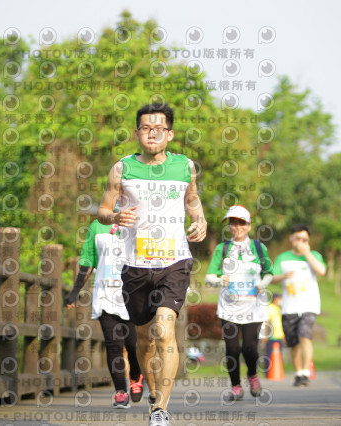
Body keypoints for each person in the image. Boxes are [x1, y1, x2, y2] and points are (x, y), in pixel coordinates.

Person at [98, 103, 206, 426]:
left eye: (159, 128)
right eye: (146, 128)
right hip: (135, 264)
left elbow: (193, 200)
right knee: (144, 339)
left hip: (174, 261)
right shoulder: (122, 169)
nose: (153, 133)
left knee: (163, 328)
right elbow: (103, 209)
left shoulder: (185, 167)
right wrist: (115, 216)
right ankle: (153, 391)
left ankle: (160, 407)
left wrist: (200, 220)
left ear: (170, 134)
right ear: (137, 133)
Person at [63, 219, 144, 408]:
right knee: (113, 344)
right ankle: (120, 392)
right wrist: (74, 292)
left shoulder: (139, 220)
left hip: (132, 295)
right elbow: (88, 261)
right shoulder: (97, 225)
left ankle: (135, 375)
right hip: (105, 294)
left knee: (132, 344)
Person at [205, 205, 273, 401]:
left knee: (250, 349)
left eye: (241, 222)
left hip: (254, 307)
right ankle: (235, 385)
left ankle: (252, 375)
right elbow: (209, 276)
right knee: (232, 349)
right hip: (229, 308)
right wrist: (219, 280)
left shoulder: (259, 248)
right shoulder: (222, 248)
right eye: (233, 223)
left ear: (249, 225)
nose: (237, 226)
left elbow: (269, 272)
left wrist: (262, 284)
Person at [271, 224, 326, 386]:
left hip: (309, 305)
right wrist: (283, 276)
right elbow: (272, 277)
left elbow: (322, 271)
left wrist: (307, 253)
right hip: (289, 306)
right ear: (291, 239)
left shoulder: (314, 255)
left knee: (305, 335)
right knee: (294, 342)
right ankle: (298, 373)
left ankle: (306, 372)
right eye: (298, 238)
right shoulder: (283, 257)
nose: (301, 241)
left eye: (304, 239)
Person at [263, 293, 285, 374]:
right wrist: (265, 335)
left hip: (279, 336)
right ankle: (267, 372)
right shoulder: (269, 308)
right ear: (275, 299)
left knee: (278, 356)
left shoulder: (279, 308)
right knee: (269, 355)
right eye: (279, 298)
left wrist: (283, 335)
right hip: (271, 336)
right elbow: (266, 322)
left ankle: (276, 372)